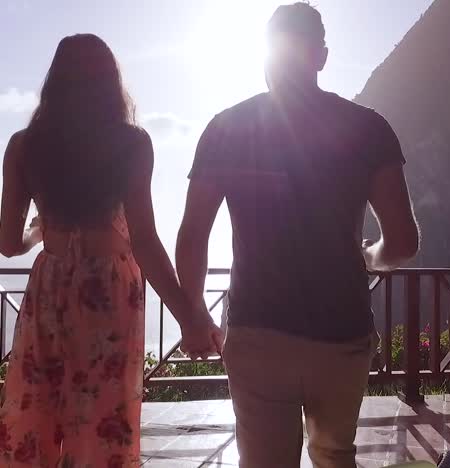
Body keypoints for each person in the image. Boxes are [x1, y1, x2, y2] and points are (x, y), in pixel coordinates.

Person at [176, 3, 419, 468]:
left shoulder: (226, 127)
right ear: (321, 56)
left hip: (256, 330)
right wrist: (370, 256)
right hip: (341, 333)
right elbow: (403, 242)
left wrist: (194, 312)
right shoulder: (369, 128)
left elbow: (192, 237)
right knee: (333, 455)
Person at [0, 34, 222, 467]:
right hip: (109, 295)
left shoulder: (24, 146)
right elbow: (144, 239)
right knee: (103, 428)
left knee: (37, 423)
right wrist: (189, 315)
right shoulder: (131, 144)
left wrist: (36, 233)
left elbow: (7, 244)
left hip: (50, 290)